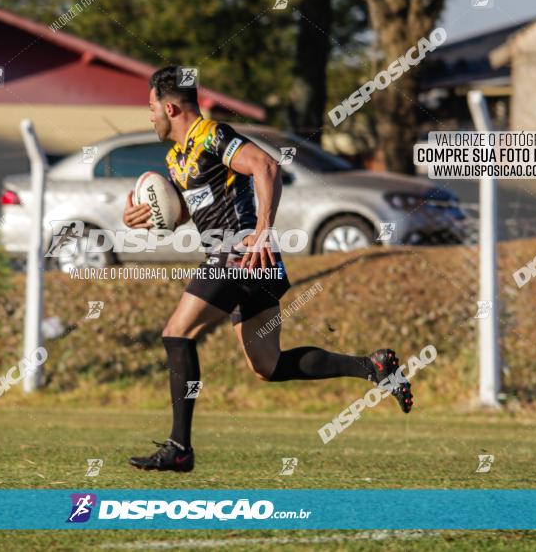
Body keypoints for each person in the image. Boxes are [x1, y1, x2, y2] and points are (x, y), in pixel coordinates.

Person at [124, 66, 412, 472]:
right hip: (249, 261)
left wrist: (261, 232)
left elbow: (266, 167)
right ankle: (372, 366)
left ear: (170, 107)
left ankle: (179, 447)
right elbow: (191, 209)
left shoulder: (212, 134)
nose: (149, 115)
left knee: (177, 334)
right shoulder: (177, 156)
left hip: (237, 254)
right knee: (268, 365)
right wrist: (148, 215)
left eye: (151, 107)